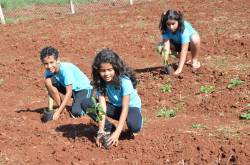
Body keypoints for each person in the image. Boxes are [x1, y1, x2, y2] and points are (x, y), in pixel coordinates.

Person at [81, 48, 143, 148]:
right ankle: (109, 128)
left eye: (110, 70)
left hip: (130, 108)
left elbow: (125, 108)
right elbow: (102, 107)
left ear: (115, 68)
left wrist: (118, 133)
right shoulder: (100, 82)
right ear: (98, 70)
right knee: (86, 103)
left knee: (134, 126)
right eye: (103, 71)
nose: (106, 74)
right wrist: (101, 130)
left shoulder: (125, 81)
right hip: (115, 107)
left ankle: (129, 125)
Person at [40, 46, 93, 121]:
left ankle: (93, 103)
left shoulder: (65, 69)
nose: (49, 66)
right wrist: (50, 109)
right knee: (48, 81)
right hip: (70, 88)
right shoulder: (48, 71)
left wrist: (58, 112)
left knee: (76, 113)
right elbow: (50, 90)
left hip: (83, 89)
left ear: (57, 60)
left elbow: (69, 92)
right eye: (46, 64)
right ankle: (63, 109)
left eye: (51, 62)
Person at [158, 9, 201, 75]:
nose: (171, 27)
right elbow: (166, 45)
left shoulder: (183, 29)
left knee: (194, 38)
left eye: (173, 24)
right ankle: (186, 59)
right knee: (160, 47)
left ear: (178, 21)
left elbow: (184, 49)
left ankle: (194, 60)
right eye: (168, 24)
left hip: (189, 44)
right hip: (176, 44)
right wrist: (166, 64)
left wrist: (179, 69)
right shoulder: (165, 28)